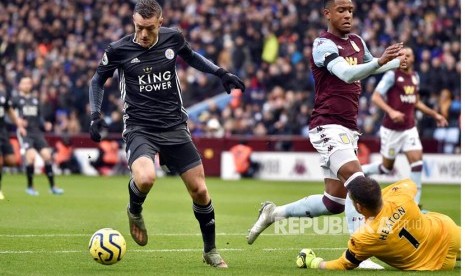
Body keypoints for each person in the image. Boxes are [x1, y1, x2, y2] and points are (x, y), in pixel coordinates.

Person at [247, 0, 406, 269]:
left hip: (348, 127)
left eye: (351, 11)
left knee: (333, 202)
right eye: (341, 10)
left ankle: (273, 213)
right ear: (327, 14)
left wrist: (392, 64)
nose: (347, 15)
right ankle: (359, 252)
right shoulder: (323, 45)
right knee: (357, 181)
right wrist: (381, 60)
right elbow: (345, 74)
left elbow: (370, 68)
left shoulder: (356, 41)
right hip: (327, 125)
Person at [88, 0, 244, 268]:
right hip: (140, 128)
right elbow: (97, 80)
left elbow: (192, 56)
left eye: (149, 28)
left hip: (174, 126)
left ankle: (210, 250)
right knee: (146, 178)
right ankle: (134, 210)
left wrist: (221, 73)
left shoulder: (173, 38)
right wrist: (95, 115)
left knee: (200, 190)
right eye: (138, 27)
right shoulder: (118, 49)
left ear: (160, 22)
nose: (143, 34)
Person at [297, 177, 461, 270]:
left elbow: (343, 264)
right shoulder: (401, 195)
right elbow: (410, 184)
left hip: (434, 264)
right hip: (448, 231)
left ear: (359, 206)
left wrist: (315, 262)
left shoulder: (364, 236)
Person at [362, 47, 448, 205]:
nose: (404, 58)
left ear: (413, 58)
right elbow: (375, 97)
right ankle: (361, 171)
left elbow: (415, 102)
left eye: (407, 55)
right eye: (401, 55)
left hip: (409, 128)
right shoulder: (391, 75)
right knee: (386, 168)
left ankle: (415, 204)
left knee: (417, 163)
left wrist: (434, 114)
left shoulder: (415, 77)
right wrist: (392, 111)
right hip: (391, 130)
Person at [14, 77, 64, 196]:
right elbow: (10, 116)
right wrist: (19, 124)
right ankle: (30, 187)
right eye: (24, 83)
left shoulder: (35, 100)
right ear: (20, 86)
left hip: (36, 132)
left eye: (28, 83)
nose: (27, 85)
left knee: (47, 156)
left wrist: (45, 123)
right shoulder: (15, 100)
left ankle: (52, 187)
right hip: (25, 133)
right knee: (31, 157)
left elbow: (39, 117)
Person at [0, 89, 25, 199]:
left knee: (11, 161)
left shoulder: (2, 95)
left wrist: (19, 125)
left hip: (2, 131)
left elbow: (9, 110)